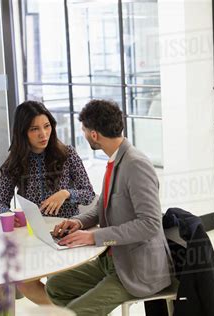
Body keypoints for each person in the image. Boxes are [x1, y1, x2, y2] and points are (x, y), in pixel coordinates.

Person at [45, 99, 172, 315]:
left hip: (136, 270)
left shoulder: (135, 164)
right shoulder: (115, 160)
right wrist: (78, 222)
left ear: (94, 135)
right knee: (55, 286)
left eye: (84, 131)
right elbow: (101, 207)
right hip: (113, 261)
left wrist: (94, 237)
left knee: (75, 312)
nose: (84, 135)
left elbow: (150, 224)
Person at [0, 100, 95, 305]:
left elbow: (89, 194)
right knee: (22, 282)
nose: (43, 134)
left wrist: (66, 193)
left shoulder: (68, 154)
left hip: (66, 233)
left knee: (58, 281)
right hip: (34, 236)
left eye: (46, 126)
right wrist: (9, 215)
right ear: (23, 132)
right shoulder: (16, 161)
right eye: (35, 129)